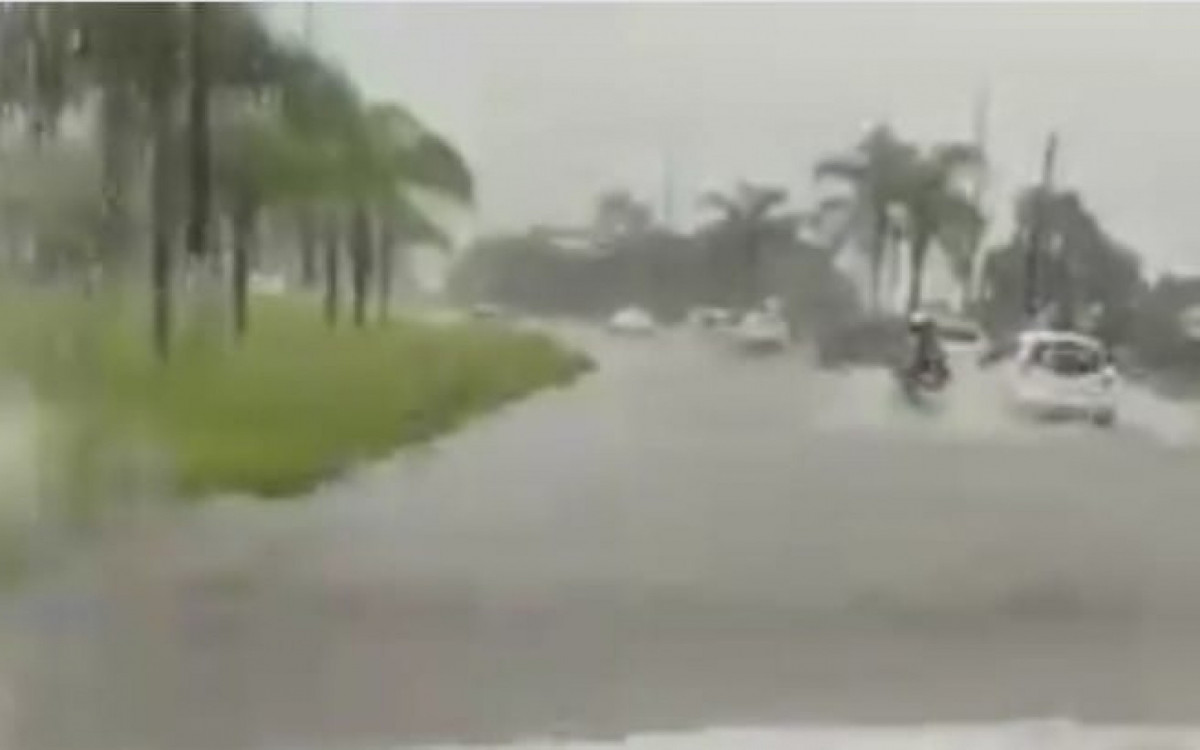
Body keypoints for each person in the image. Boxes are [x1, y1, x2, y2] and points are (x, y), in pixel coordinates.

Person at [904, 311, 949, 386]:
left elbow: (922, 354)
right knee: (922, 364)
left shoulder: (927, 333)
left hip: (932, 356)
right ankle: (914, 374)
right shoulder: (926, 335)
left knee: (931, 363)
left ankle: (915, 374)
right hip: (930, 357)